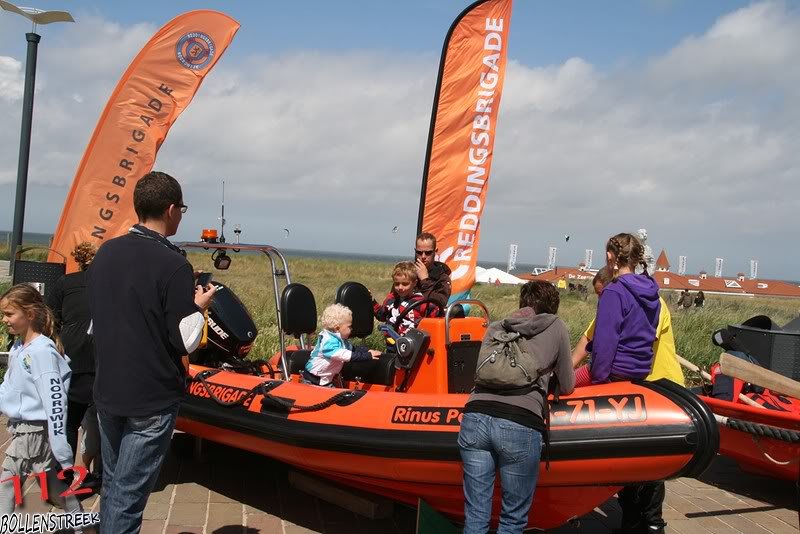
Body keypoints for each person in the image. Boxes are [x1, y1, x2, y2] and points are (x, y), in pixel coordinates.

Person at [87, 171, 216, 533]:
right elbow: (185, 341)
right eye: (182, 209)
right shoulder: (173, 264)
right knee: (128, 501)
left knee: (113, 488)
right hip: (151, 397)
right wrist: (199, 307)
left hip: (109, 390)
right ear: (172, 209)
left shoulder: (106, 253)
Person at [458, 281, 575, 534]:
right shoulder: (556, 327)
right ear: (553, 306)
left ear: (522, 303)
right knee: (512, 519)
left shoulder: (497, 326)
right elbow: (567, 384)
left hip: (475, 416)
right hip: (520, 421)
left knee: (476, 515)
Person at [0, 284, 86, 527]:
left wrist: (62, 450)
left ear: (29, 314)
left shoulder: (41, 353)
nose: (5, 320)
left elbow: (55, 403)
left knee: (7, 483)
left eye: (9, 314)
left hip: (33, 432)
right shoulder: (19, 348)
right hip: (24, 428)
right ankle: (82, 524)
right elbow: (9, 389)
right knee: (51, 481)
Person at [46, 241, 102, 492]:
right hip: (104, 358)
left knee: (69, 421)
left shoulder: (65, 283)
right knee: (106, 422)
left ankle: (65, 478)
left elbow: (51, 318)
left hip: (72, 357)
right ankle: (103, 474)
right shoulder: (110, 284)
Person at [572, 267, 684, 388]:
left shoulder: (652, 303)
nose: (601, 300)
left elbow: (639, 341)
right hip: (635, 384)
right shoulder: (612, 310)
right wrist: (566, 370)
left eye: (602, 294)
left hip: (662, 383)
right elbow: (589, 338)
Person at [589, 233, 660, 385]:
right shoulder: (651, 291)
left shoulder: (614, 292)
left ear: (610, 257)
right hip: (640, 373)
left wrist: (598, 381)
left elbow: (605, 343)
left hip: (616, 372)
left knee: (567, 384)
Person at [302, 304, 382, 387]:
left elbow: (352, 348)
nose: (352, 329)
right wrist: (367, 356)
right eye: (349, 327)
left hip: (325, 379)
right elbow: (346, 355)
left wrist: (367, 350)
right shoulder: (328, 342)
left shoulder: (340, 339)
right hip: (314, 379)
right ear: (337, 328)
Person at [373, 261, 440, 343]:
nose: (400, 287)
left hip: (413, 344)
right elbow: (382, 315)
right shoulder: (391, 298)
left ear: (414, 283)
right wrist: (372, 302)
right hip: (392, 343)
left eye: (405, 284)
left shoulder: (421, 301)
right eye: (397, 284)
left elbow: (435, 316)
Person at [413, 232, 451, 311]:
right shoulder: (408, 272)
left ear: (435, 251)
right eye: (419, 252)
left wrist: (425, 281)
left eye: (428, 253)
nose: (423, 256)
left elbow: (442, 302)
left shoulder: (442, 276)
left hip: (428, 319)